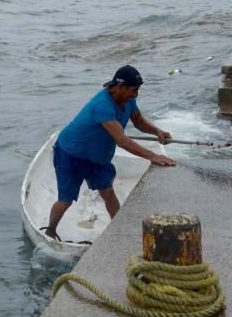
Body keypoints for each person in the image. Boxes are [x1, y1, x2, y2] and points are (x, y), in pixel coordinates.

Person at [45, 65, 176, 241]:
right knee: (66, 200)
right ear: (120, 87)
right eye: (134, 90)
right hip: (71, 154)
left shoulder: (128, 100)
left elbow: (138, 121)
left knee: (108, 193)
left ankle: (120, 230)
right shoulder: (102, 105)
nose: (136, 95)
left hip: (98, 157)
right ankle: (50, 231)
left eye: (138, 90)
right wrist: (153, 156)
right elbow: (121, 140)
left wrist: (157, 131)